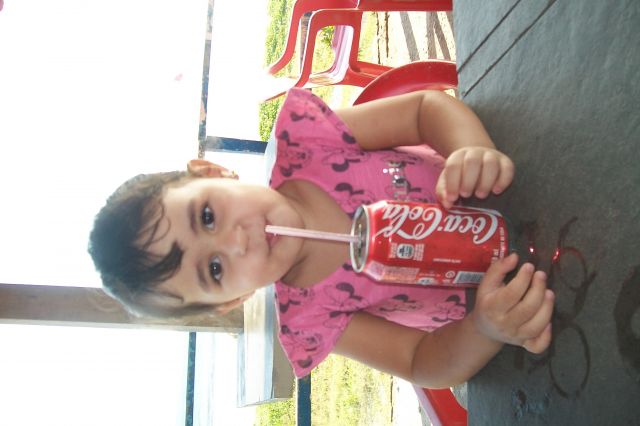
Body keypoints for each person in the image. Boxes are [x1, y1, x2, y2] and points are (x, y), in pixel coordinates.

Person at [88, 88, 554, 389]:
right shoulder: (311, 318)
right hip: (508, 296)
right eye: (214, 270)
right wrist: (484, 330)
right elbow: (420, 361)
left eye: (207, 216)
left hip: (521, 182)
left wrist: (471, 149)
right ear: (233, 299)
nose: (236, 242)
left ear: (214, 172)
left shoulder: (309, 144)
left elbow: (424, 110)